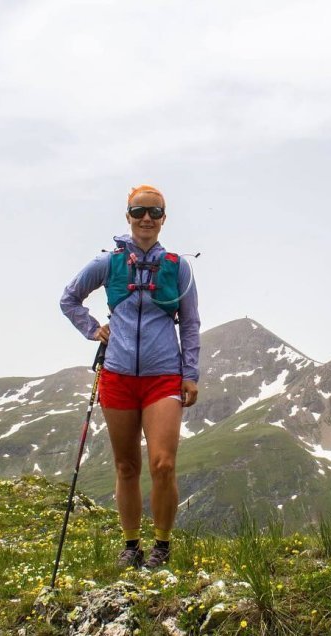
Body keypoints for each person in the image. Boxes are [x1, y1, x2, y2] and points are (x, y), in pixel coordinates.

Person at [60, 184, 200, 568]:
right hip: (118, 375)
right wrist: (92, 329)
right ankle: (130, 545)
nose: (146, 220)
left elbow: (189, 323)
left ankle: (163, 546)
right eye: (139, 211)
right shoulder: (109, 262)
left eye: (154, 213)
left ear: (164, 219)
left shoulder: (178, 266)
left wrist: (190, 373)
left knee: (163, 464)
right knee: (126, 466)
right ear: (127, 216)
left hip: (163, 377)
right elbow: (68, 298)